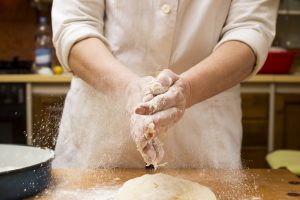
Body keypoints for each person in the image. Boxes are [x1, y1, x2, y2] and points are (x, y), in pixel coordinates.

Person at [51, 0, 279, 169]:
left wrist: (188, 89)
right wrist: (128, 89)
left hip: (203, 141)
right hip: (99, 141)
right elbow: (74, 24)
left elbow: (250, 30)